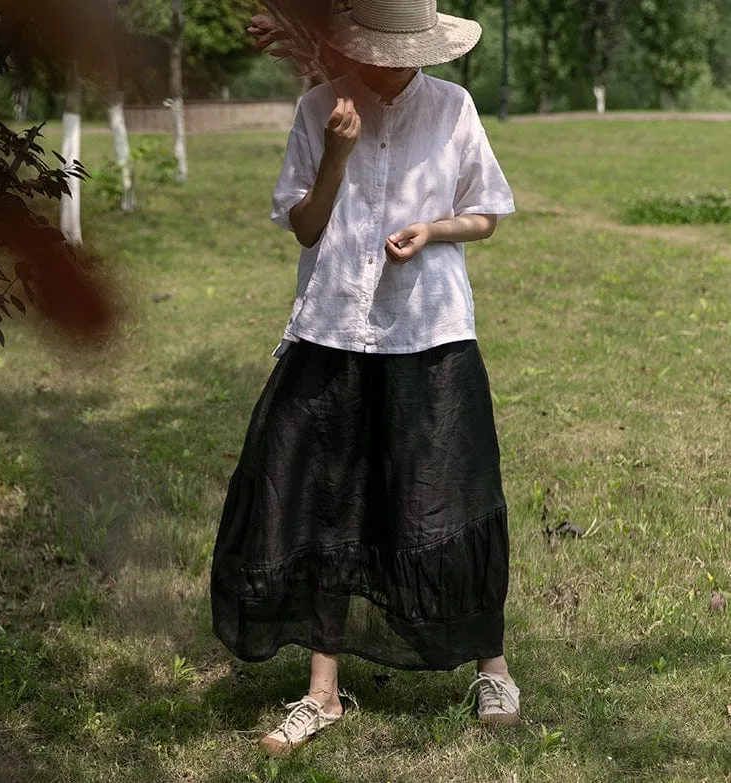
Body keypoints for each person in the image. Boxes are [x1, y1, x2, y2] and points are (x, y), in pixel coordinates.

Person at [211, 0, 519, 756]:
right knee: (322, 501)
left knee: (453, 492)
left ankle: (493, 667)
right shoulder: (320, 106)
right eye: (376, 49)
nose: (388, 63)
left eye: (402, 49)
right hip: (333, 329)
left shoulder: (452, 108)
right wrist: (338, 155)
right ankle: (322, 690)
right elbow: (307, 225)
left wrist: (433, 229)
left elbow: (486, 212)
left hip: (431, 329)